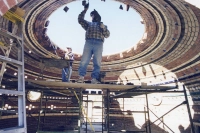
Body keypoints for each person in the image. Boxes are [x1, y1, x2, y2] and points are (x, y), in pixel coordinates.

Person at [76, 3, 110, 84]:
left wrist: (104, 28)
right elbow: (80, 19)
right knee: (84, 60)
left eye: (92, 15)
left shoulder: (103, 25)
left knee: (97, 62)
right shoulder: (89, 24)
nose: (91, 17)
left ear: (96, 16)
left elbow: (107, 35)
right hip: (89, 42)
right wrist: (85, 10)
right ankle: (81, 77)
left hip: (99, 43)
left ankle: (94, 79)